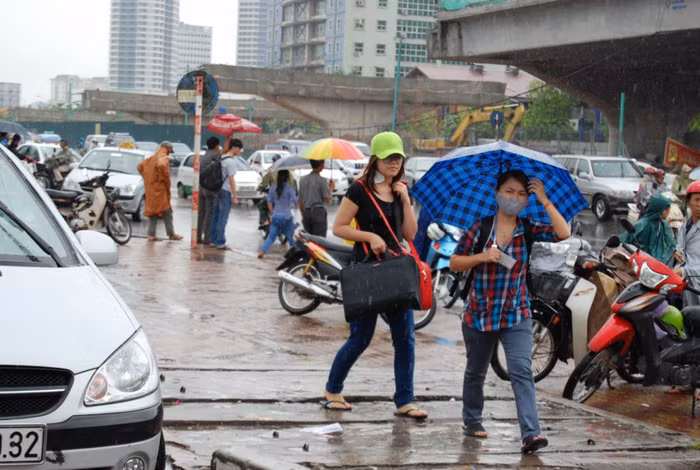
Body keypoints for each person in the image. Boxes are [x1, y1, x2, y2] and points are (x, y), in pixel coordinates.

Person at [449, 169, 571, 454]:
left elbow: (563, 233)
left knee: (521, 371)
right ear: (497, 194)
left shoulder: (527, 228)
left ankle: (531, 433)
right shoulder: (480, 228)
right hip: (480, 312)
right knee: (476, 371)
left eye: (521, 194)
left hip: (517, 312)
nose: (514, 198)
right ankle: (472, 420)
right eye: (509, 192)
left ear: (526, 200)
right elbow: (454, 262)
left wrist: (545, 199)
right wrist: (482, 256)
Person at [322, 131, 427, 419]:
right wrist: (369, 236)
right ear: (375, 160)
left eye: (398, 158)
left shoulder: (401, 191)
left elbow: (410, 234)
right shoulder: (359, 189)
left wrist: (406, 201)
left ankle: (404, 400)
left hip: (396, 272)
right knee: (361, 337)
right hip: (367, 271)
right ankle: (333, 389)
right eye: (388, 157)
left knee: (405, 338)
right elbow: (339, 227)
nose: (394, 162)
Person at [137, 141, 183, 242]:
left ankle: (151, 235)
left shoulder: (151, 158)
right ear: (168, 149)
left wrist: (147, 178)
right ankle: (171, 234)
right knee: (167, 211)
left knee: (153, 212)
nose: (170, 153)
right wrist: (162, 178)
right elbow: (161, 165)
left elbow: (139, 167)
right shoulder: (163, 157)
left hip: (151, 189)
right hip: (160, 190)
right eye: (170, 151)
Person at [620, 193, 676, 264]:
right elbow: (625, 241)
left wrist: (674, 250)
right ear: (663, 211)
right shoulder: (642, 225)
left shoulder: (663, 224)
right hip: (639, 261)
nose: (669, 212)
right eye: (668, 209)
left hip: (657, 263)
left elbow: (671, 242)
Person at [258, 169, 297, 258]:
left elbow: (269, 202)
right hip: (287, 217)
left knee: (271, 237)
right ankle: (295, 254)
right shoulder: (289, 188)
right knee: (290, 238)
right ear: (287, 177)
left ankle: (263, 251)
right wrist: (294, 205)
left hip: (276, 216)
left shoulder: (272, 188)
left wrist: (272, 213)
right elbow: (295, 201)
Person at [209, 139, 240, 249]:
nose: (240, 151)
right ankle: (220, 242)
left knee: (215, 216)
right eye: (239, 149)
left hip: (217, 189)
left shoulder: (222, 158)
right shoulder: (231, 162)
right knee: (222, 217)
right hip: (225, 191)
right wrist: (235, 196)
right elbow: (231, 180)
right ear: (234, 148)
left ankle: (213, 240)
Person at [675, 181, 700, 307]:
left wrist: (684, 271)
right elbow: (681, 247)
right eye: (697, 200)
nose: (699, 204)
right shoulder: (683, 227)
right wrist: (676, 252)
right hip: (684, 282)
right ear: (689, 202)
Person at [299, 160, 334, 237]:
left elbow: (300, 201)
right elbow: (327, 200)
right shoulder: (322, 180)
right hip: (318, 212)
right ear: (321, 165)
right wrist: (331, 189)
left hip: (306, 212)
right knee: (319, 240)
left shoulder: (302, 180)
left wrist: (303, 215)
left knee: (308, 239)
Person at [198, 136, 221, 246]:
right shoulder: (216, 155)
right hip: (211, 188)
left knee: (201, 213)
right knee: (209, 214)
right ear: (216, 146)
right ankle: (207, 238)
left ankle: (197, 236)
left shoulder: (202, 157)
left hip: (201, 187)